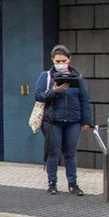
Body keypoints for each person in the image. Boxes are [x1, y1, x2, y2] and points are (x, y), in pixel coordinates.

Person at [34, 45, 92, 195]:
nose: (61, 64)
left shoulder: (77, 77)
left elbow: (84, 100)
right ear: (52, 60)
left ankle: (73, 184)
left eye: (64, 61)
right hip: (52, 121)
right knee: (53, 152)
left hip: (73, 120)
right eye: (57, 61)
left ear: (69, 59)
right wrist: (54, 91)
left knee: (70, 153)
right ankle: (52, 183)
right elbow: (39, 95)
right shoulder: (46, 76)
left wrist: (86, 121)